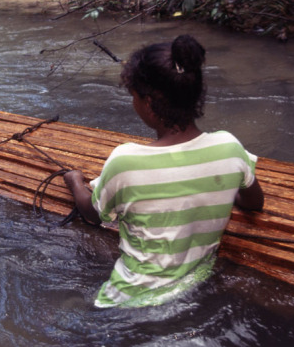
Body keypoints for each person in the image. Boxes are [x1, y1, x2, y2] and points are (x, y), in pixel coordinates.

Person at [64, 34, 264, 308]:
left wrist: (74, 181)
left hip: (127, 300)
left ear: (148, 102)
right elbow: (255, 202)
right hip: (193, 286)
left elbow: (94, 214)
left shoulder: (125, 160)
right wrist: (221, 188)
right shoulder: (231, 148)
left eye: (133, 96)